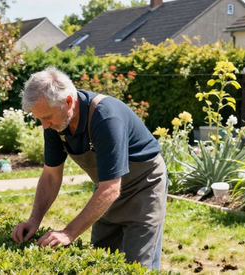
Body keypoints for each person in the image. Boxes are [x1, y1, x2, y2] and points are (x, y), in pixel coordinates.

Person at [10, 67, 168, 269]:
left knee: (137, 266)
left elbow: (111, 187)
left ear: (68, 102)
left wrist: (69, 233)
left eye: (47, 116)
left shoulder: (106, 118)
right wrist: (34, 220)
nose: (44, 125)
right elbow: (50, 176)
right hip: (107, 189)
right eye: (39, 118)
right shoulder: (55, 124)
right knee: (100, 261)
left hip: (144, 188)